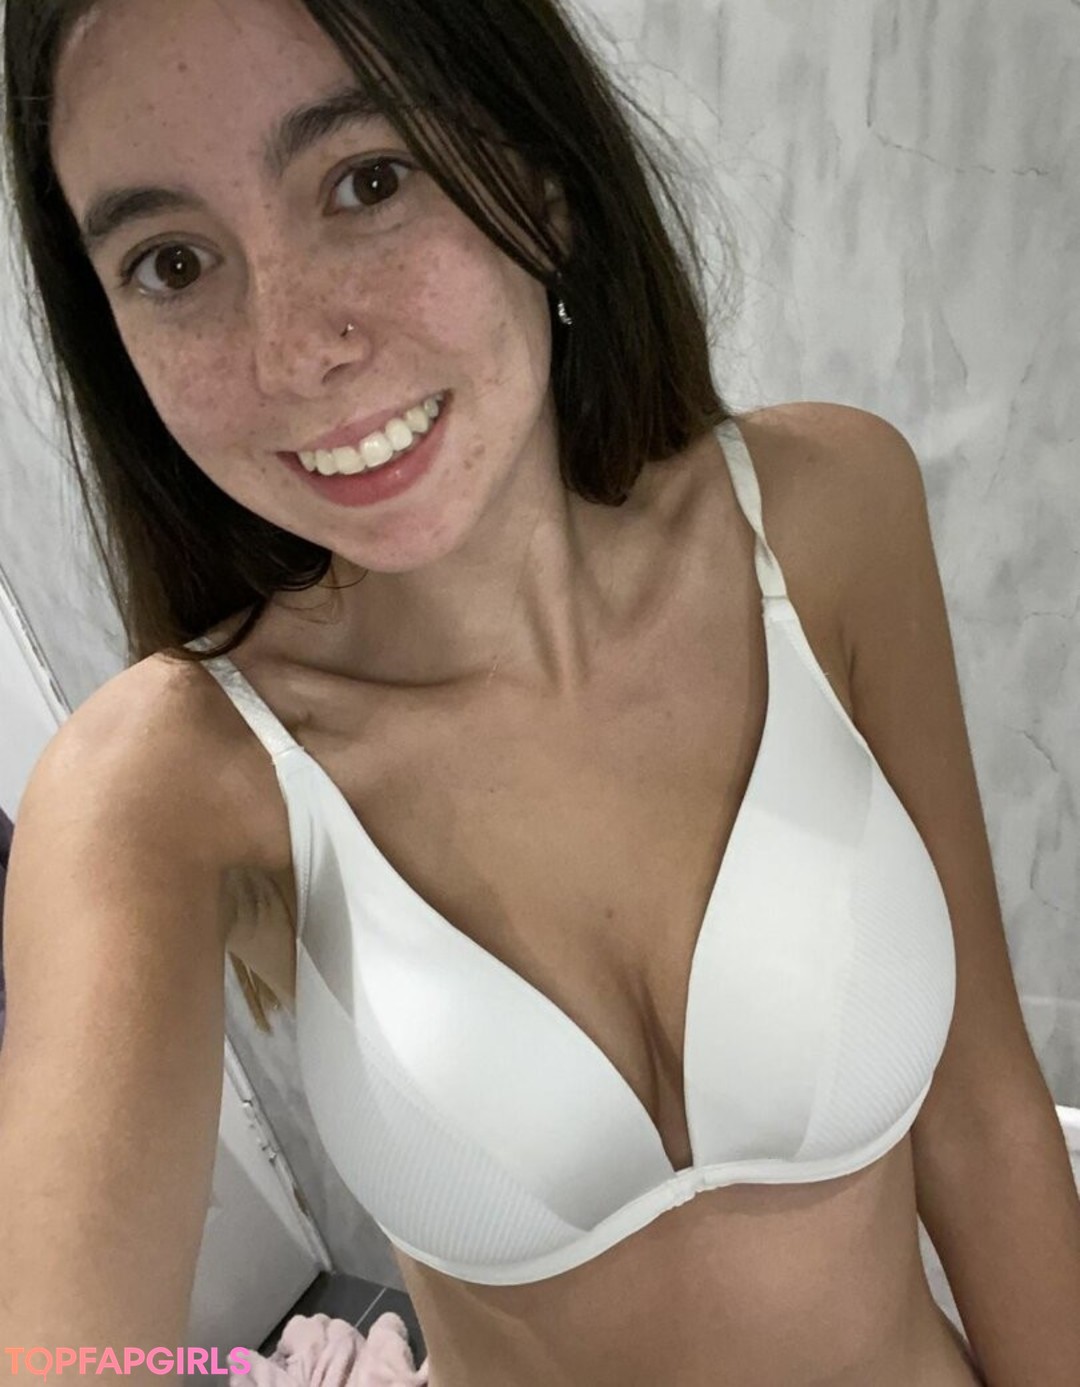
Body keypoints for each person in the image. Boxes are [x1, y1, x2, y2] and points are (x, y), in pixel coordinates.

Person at [2, 1, 1077, 1384]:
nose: (294, 353)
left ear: (543, 175)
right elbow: (62, 1357)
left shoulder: (829, 518)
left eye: (367, 181)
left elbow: (984, 1116)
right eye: (172, 262)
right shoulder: (162, 790)